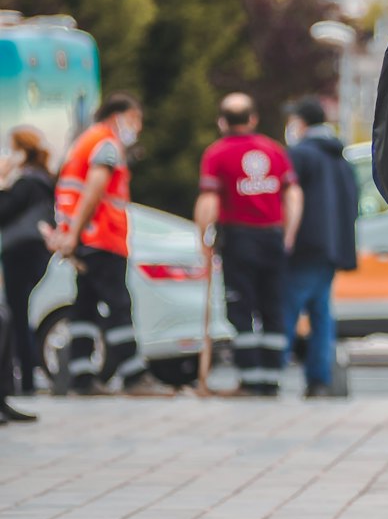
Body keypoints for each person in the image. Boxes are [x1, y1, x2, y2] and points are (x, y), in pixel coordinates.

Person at [45, 93, 169, 396]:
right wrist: (75, 233)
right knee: (118, 305)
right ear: (119, 116)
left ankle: (81, 377)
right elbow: (95, 188)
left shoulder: (83, 141)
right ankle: (134, 376)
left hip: (86, 238)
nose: (137, 127)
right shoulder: (106, 144)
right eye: (135, 119)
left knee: (85, 307)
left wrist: (70, 233)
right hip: (101, 238)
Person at [195, 93, 302, 397]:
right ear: (252, 119)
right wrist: (289, 233)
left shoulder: (216, 154)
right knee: (272, 308)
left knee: (241, 310)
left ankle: (251, 379)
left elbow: (209, 200)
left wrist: (203, 239)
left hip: (239, 239)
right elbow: (293, 195)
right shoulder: (274, 151)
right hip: (272, 237)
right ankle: (271, 378)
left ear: (222, 121)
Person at [281, 96, 359, 398]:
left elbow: (289, 197)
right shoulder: (340, 158)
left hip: (303, 245)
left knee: (287, 309)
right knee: (321, 313)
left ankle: (271, 373)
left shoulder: (300, 155)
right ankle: (319, 380)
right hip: (332, 247)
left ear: (301, 123)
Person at [0, 127, 55, 409]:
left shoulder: (25, 183)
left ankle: (23, 382)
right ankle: (25, 379)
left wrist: (1, 179)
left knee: (14, 315)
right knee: (18, 315)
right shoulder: (43, 179)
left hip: (19, 252)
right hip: (34, 252)